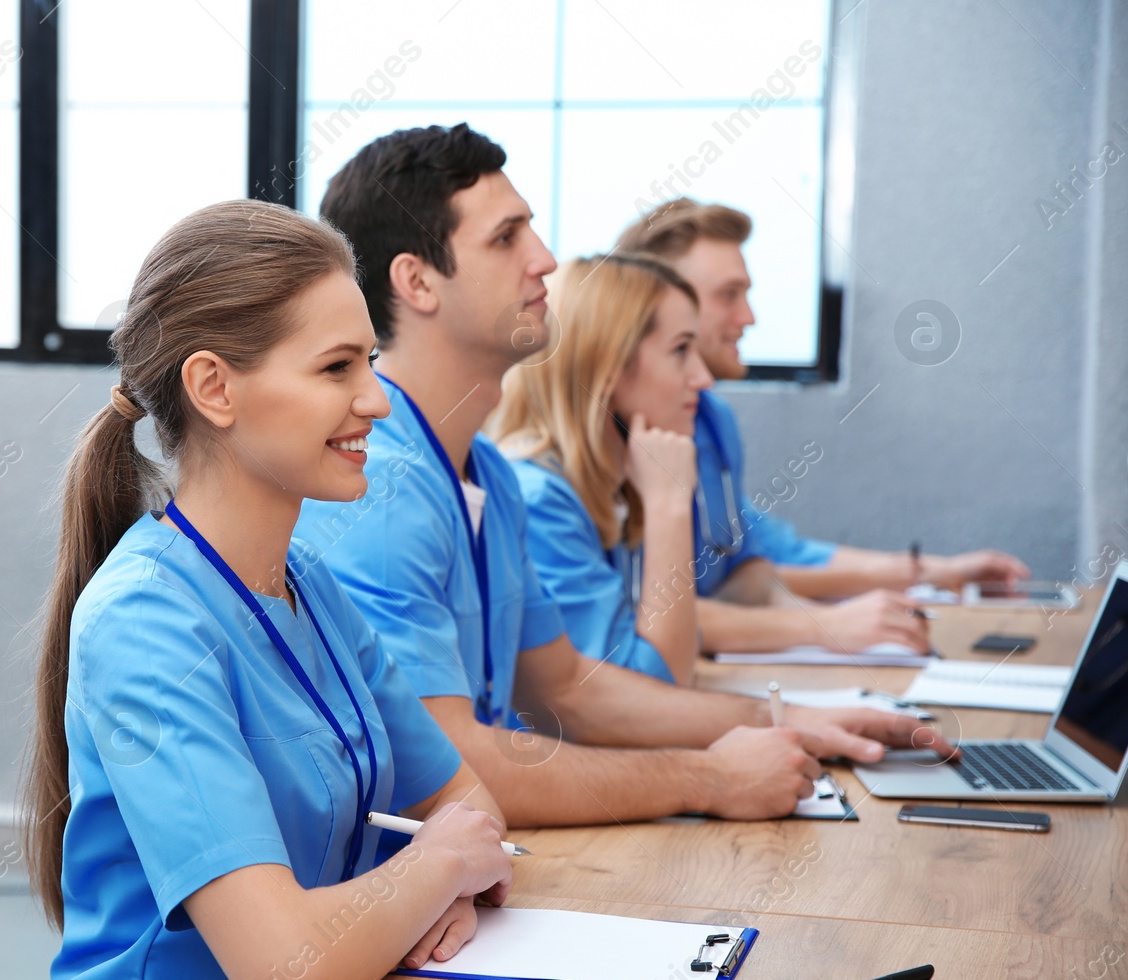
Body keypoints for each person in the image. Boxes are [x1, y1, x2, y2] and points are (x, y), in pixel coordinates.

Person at [295, 124, 954, 832]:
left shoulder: (488, 476)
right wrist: (708, 775)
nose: (544, 260)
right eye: (506, 238)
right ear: (417, 281)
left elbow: (569, 689)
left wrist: (789, 717)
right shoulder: (380, 490)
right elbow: (449, 767)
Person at [22, 201, 513, 980]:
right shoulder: (145, 623)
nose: (376, 399)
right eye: (335, 367)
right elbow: (288, 963)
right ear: (214, 387)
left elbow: (468, 806)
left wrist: (443, 883)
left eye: (369, 360)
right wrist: (435, 873)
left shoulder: (307, 585)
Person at [614, 199, 1030, 653]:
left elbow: (759, 558)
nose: (748, 317)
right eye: (728, 295)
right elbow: (641, 608)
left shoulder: (713, 422)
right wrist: (826, 624)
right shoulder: (600, 458)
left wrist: (927, 571)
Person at [491, 253, 710, 686]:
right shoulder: (539, 502)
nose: (703, 378)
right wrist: (670, 504)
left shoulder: (596, 486)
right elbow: (655, 690)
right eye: (681, 350)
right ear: (606, 363)